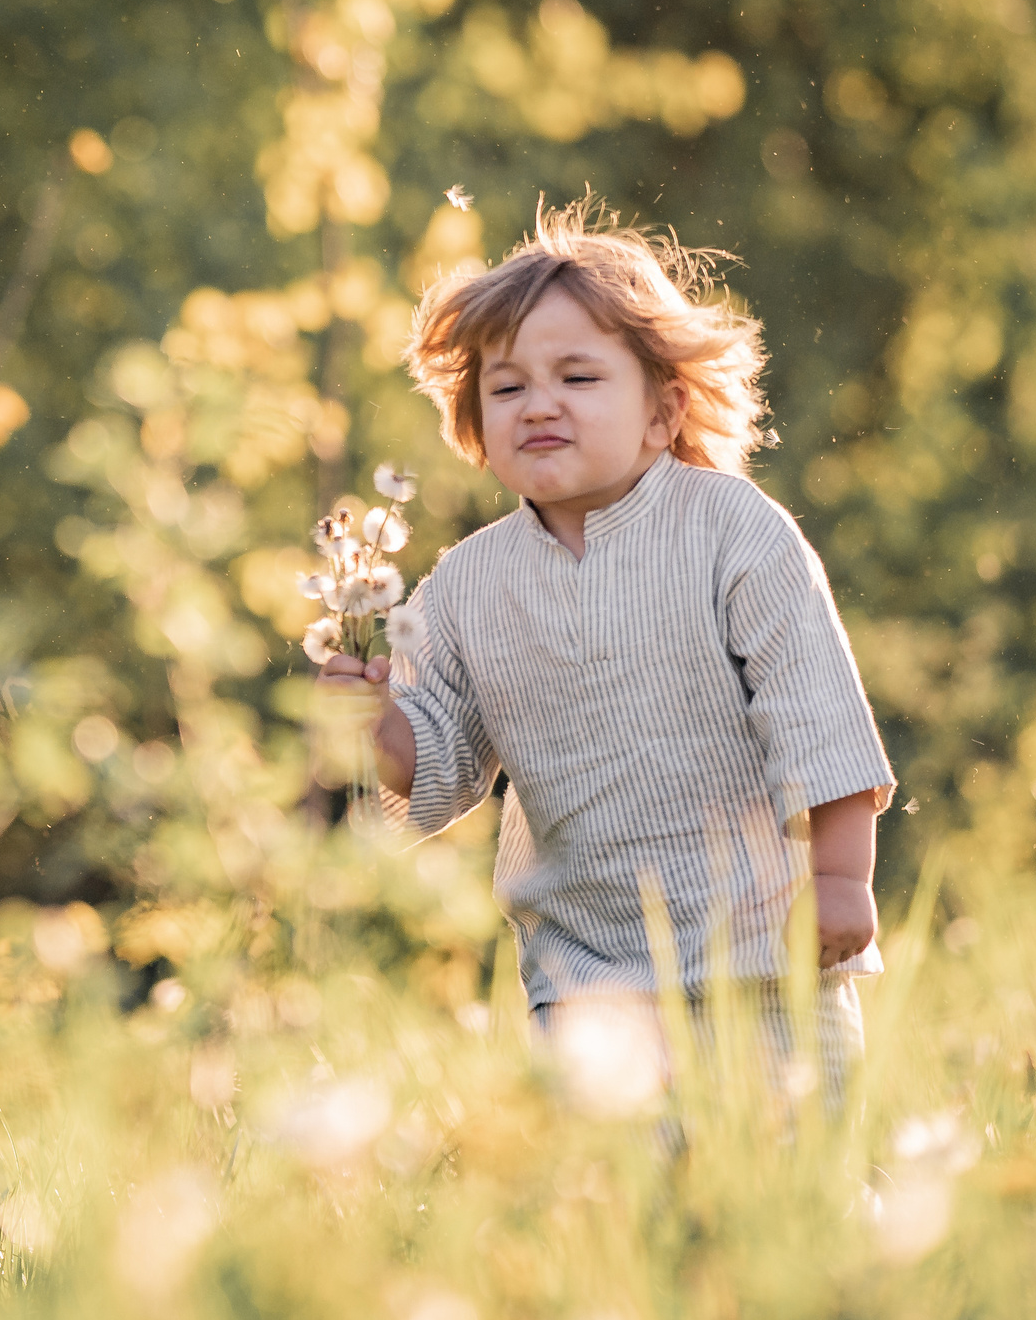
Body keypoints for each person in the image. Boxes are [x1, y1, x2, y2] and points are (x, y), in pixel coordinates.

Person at [319, 202, 894, 1111]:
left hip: (771, 958)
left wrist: (838, 876)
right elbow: (438, 756)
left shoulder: (731, 531)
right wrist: (377, 725)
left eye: (579, 377)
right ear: (475, 423)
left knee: (796, 1165)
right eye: (507, 388)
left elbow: (814, 710)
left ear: (664, 410)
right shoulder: (465, 585)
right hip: (589, 982)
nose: (540, 403)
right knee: (626, 1184)